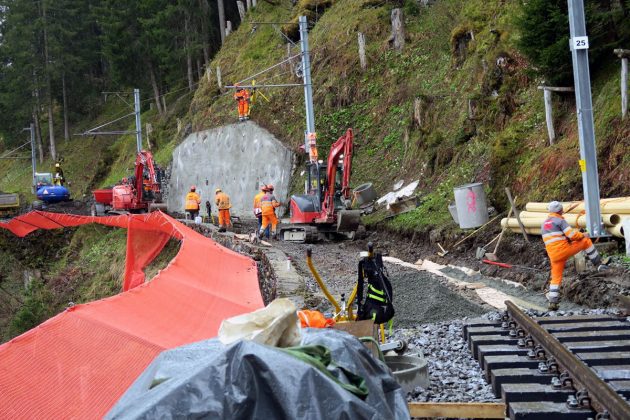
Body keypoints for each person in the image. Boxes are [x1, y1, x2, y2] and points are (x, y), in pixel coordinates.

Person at [541, 201, 608, 310]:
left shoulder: (544, 224)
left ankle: (553, 302)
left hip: (553, 255)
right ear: (560, 211)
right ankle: (599, 265)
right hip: (564, 250)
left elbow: (556, 238)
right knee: (586, 241)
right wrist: (583, 234)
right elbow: (572, 235)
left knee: (556, 278)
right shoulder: (560, 221)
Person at [356, 244, 395, 325]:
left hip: (374, 309)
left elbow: (361, 284)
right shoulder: (383, 281)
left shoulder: (380, 278)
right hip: (378, 310)